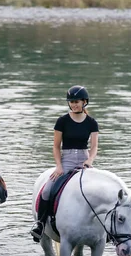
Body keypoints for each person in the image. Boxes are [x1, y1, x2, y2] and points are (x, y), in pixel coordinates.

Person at [31, 85, 99, 242]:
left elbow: (94, 147)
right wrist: (59, 166)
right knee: (47, 190)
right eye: (71, 102)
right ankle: (40, 224)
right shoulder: (62, 121)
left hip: (84, 160)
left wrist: (89, 161)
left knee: (98, 192)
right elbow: (55, 146)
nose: (74, 104)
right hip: (66, 160)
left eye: (77, 101)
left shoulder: (92, 123)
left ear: (84, 102)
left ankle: (101, 228)